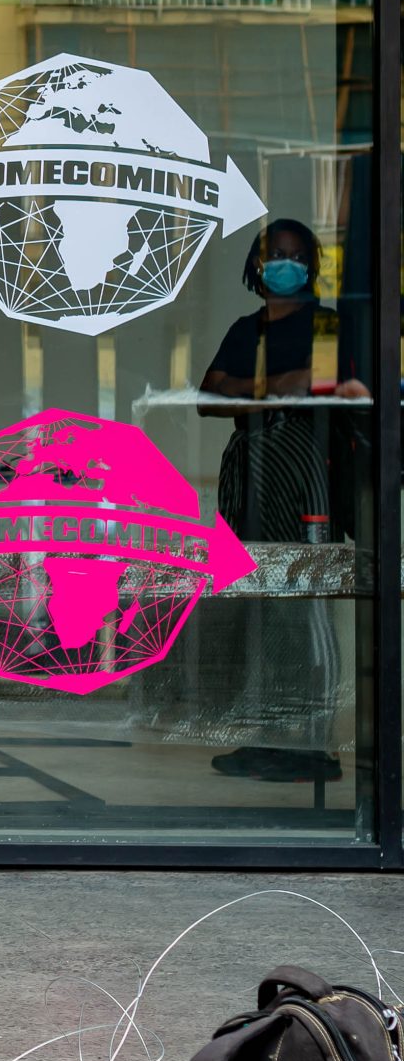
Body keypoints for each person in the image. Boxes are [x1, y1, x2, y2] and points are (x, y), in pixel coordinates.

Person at [198, 219, 363, 786]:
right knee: (261, 609)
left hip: (305, 479)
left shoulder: (325, 324)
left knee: (308, 606)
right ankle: (269, 737)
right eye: (275, 253)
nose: (284, 263)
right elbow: (208, 396)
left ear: (311, 266)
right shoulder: (245, 329)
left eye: (295, 254)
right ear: (256, 263)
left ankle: (316, 744)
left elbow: (316, 386)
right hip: (252, 480)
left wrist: (246, 388)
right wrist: (273, 386)